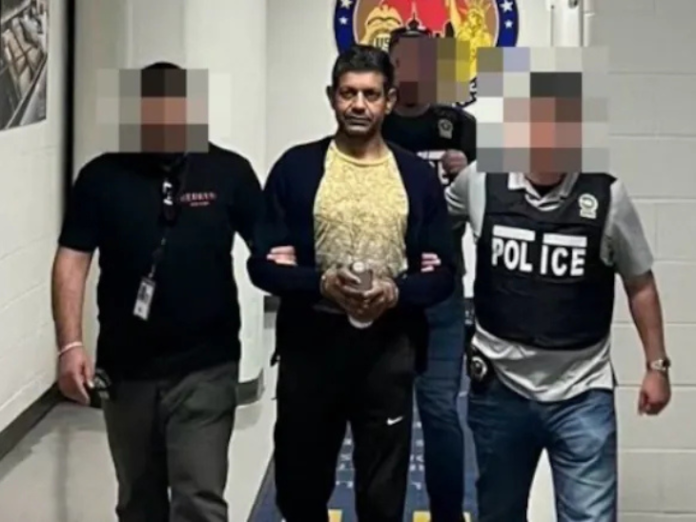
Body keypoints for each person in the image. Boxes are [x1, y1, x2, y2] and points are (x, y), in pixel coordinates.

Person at [51, 61, 278, 522]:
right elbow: (72, 259)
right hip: (127, 368)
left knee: (199, 500)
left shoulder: (228, 172)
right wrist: (69, 345)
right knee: (138, 501)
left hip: (207, 364)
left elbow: (272, 249)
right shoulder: (101, 177)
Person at [442, 71, 672, 521]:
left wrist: (656, 367)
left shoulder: (607, 196)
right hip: (500, 388)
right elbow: (432, 221)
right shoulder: (481, 181)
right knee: (498, 514)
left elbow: (640, 284)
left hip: (582, 392)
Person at [247, 44, 456, 522]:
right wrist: (319, 283)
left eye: (370, 94)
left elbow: (443, 273)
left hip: (388, 352)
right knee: (300, 491)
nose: (358, 105)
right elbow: (261, 267)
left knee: (382, 495)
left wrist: (397, 292)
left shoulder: (415, 177)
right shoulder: (297, 169)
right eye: (348, 94)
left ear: (389, 100)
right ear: (332, 97)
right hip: (310, 350)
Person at [381, 24, 476, 521]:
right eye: (406, 61)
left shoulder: (459, 126)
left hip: (441, 290)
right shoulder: (373, 124)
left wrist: (470, 172)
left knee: (439, 411)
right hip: (384, 293)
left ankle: (447, 513)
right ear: (392, 66)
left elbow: (494, 203)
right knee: (385, 416)